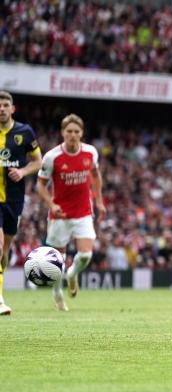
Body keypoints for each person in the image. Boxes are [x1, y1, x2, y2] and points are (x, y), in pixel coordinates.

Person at [36, 114, 106, 311]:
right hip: (60, 215)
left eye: (76, 131)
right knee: (58, 260)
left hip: (83, 212)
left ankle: (73, 273)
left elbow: (95, 175)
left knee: (85, 255)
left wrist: (99, 201)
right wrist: (51, 205)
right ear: (62, 133)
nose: (73, 135)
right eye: (69, 131)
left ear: (81, 133)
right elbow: (40, 185)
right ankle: (57, 294)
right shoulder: (52, 157)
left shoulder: (90, 152)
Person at [0, 91, 43, 316]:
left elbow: (38, 161)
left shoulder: (24, 132)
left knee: (4, 250)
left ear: (12, 108)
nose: (2, 109)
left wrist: (23, 171)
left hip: (14, 200)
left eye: (5, 105)